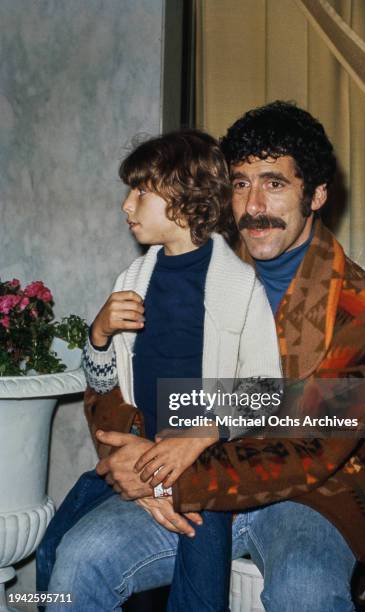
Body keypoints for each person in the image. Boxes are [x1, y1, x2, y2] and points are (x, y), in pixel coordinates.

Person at [45, 101, 365, 612]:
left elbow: (319, 441)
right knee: (76, 561)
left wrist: (173, 471)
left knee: (305, 589)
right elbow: (119, 382)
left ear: (316, 194)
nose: (252, 206)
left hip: (312, 493)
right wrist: (134, 460)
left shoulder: (363, 308)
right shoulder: (190, 266)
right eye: (240, 183)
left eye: (274, 184)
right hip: (179, 476)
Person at [39, 128, 282, 611]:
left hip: (202, 470)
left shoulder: (239, 289)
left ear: (185, 199)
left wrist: (205, 430)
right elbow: (104, 386)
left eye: (141, 191)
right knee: (51, 550)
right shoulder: (131, 281)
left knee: (198, 596)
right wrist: (98, 335)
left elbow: (267, 394)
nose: (127, 206)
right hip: (136, 459)